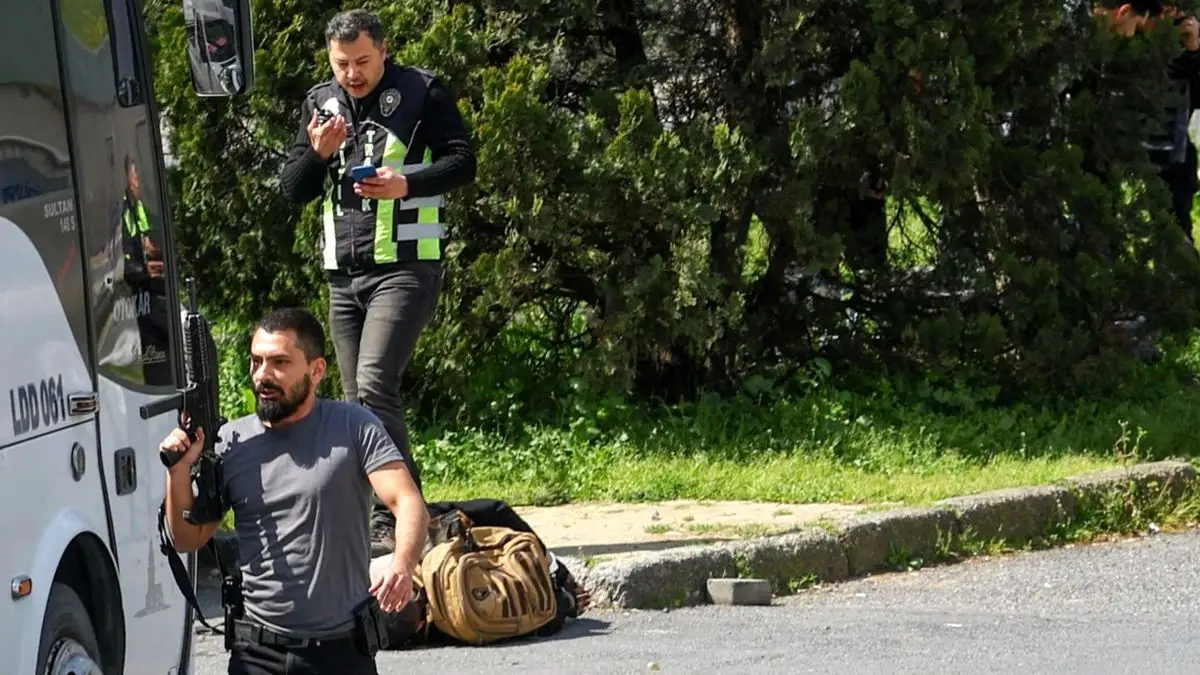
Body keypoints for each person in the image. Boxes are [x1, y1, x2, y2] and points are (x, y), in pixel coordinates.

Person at [278, 7, 477, 555]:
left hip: (407, 265)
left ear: (384, 51)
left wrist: (405, 183)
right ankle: (387, 516)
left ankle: (400, 515)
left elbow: (463, 162)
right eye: (341, 64)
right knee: (353, 403)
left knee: (372, 384)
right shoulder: (320, 103)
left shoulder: (421, 92)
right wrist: (317, 154)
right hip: (343, 274)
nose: (352, 74)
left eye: (362, 61)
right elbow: (293, 189)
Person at [160, 307, 428, 675]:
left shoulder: (353, 426)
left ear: (316, 371)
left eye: (280, 362)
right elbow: (187, 538)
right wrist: (177, 472)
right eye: (256, 361)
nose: (263, 375)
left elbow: (407, 500)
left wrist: (403, 564)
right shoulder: (230, 442)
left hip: (341, 654)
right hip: (257, 655)